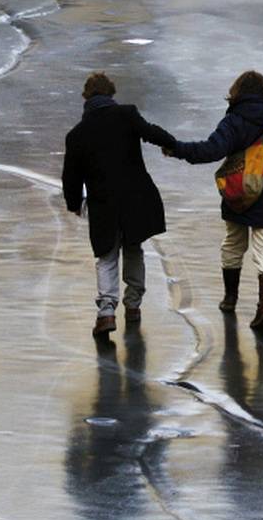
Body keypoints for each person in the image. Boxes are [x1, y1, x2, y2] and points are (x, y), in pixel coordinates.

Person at [163, 71, 263, 330]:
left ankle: (230, 298)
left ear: (237, 95)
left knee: (233, 243)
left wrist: (177, 149)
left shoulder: (233, 121)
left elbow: (210, 150)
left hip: (238, 193)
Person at [61, 72, 177, 337]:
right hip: (135, 197)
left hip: (103, 203)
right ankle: (133, 306)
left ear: (85, 97)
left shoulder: (77, 134)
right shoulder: (126, 114)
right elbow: (150, 132)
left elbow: (71, 175)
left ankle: (106, 312)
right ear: (111, 94)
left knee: (107, 256)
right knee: (134, 248)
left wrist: (74, 203)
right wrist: (172, 145)